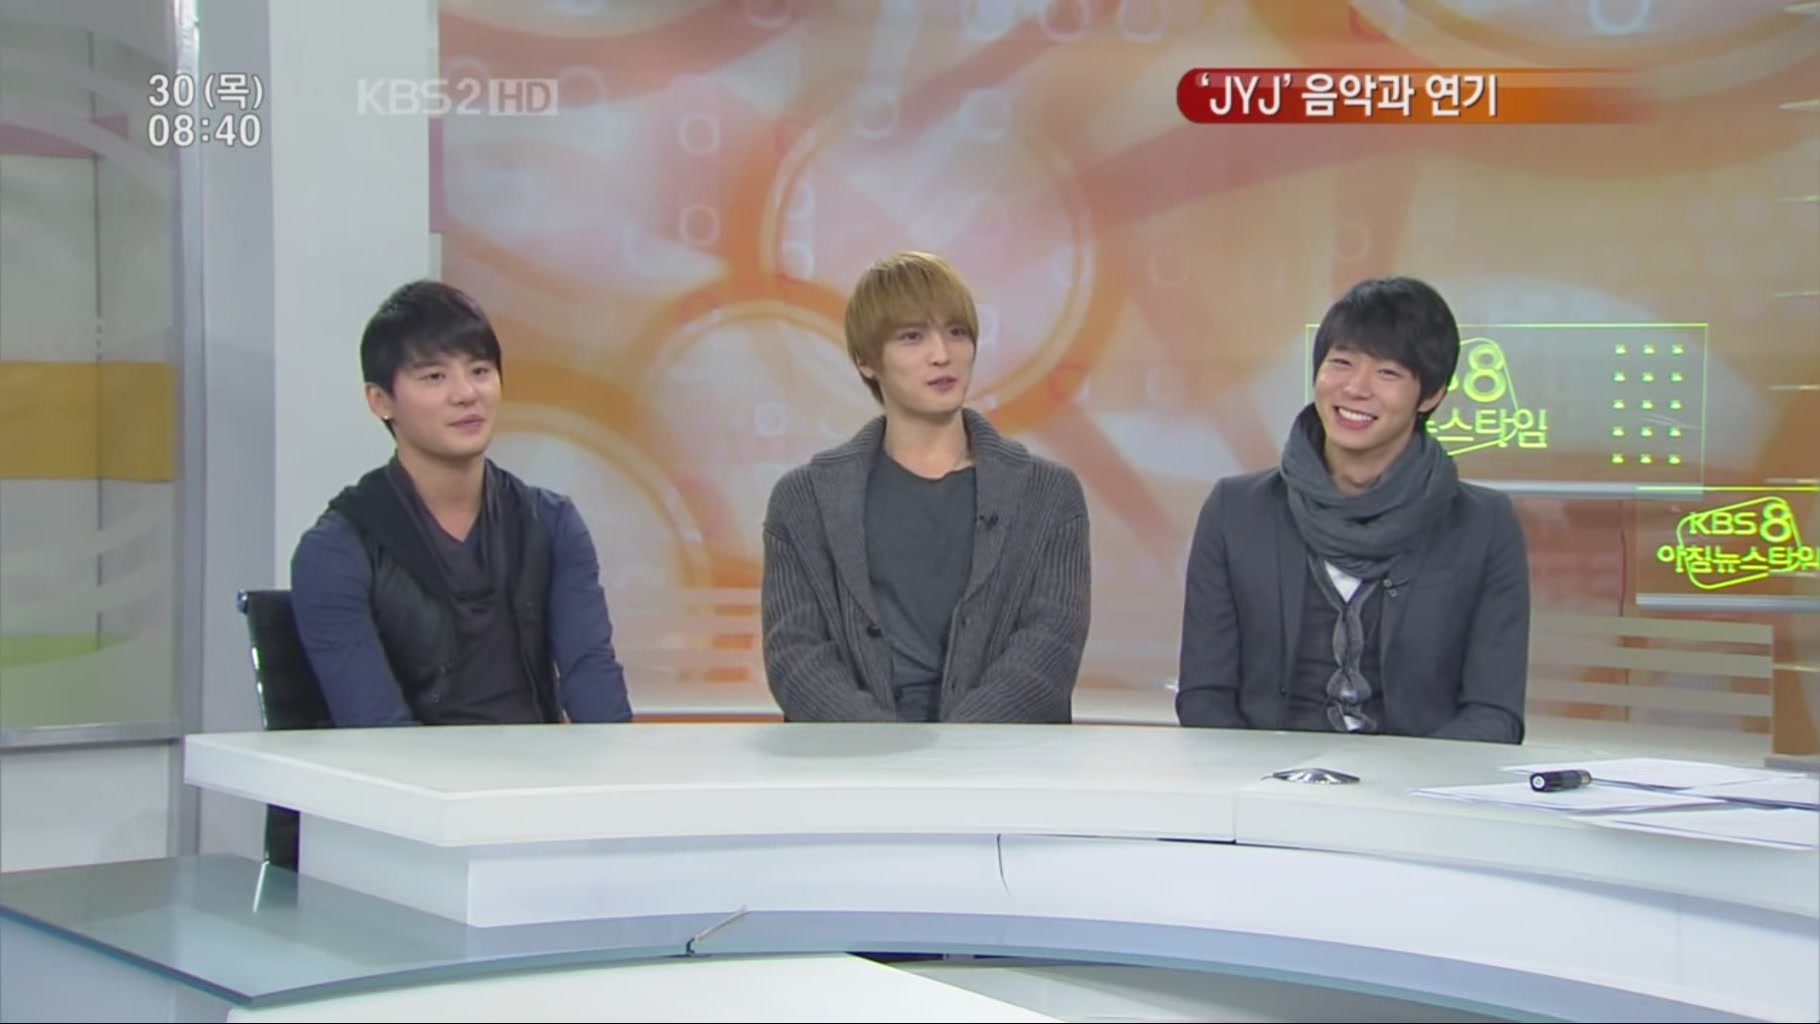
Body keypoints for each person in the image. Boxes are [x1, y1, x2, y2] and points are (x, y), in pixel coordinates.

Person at [1176, 276, 1529, 743]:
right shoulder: (1236, 511)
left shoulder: (1483, 525)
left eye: (1388, 373)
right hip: (1262, 775)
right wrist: (1260, 776)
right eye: (1341, 363)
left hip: (1420, 779)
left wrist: (1411, 780)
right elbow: (1205, 696)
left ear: (1431, 395)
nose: (1356, 388)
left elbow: (1494, 712)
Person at [760, 251, 1091, 724]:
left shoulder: (1048, 496)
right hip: (855, 759)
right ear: (866, 361)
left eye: (956, 332)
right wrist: (887, 748)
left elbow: (1048, 650)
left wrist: (952, 751)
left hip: (998, 760)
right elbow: (796, 656)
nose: (942, 354)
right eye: (912, 337)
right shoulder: (805, 501)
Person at [289, 280, 634, 727]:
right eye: (434, 377)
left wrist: (614, 766)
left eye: (480, 371)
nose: (466, 393)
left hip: (538, 767)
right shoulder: (338, 549)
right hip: (410, 770)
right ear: (381, 401)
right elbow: (376, 731)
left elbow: (592, 679)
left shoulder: (550, 523)